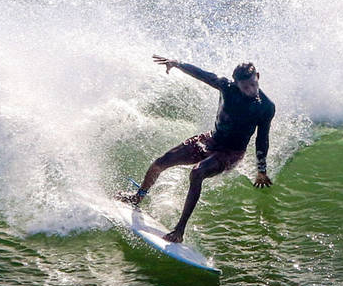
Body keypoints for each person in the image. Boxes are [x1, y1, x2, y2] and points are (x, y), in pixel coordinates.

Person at [118, 55, 276, 242]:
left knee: (197, 173)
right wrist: (177, 64)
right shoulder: (226, 87)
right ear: (236, 84)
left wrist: (261, 171)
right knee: (160, 163)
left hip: (231, 153)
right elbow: (203, 75)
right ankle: (138, 197)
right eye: (245, 87)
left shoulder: (266, 107)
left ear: (257, 76)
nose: (251, 90)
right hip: (210, 140)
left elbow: (262, 139)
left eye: (253, 84)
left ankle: (179, 231)